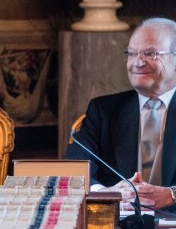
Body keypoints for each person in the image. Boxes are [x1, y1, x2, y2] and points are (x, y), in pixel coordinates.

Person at [65, 17, 176, 210]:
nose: (138, 62)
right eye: (132, 54)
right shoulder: (103, 111)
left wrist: (173, 194)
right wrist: (107, 195)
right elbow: (72, 170)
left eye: (150, 53)